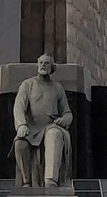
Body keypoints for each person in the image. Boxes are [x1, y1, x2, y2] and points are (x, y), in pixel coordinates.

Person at [13, 55, 73, 188]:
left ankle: (51, 181)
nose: (43, 65)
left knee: (55, 135)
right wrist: (21, 124)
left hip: (51, 126)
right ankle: (26, 182)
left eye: (46, 63)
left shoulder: (58, 88)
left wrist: (64, 120)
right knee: (20, 143)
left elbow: (67, 113)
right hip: (31, 128)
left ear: (52, 67)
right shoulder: (28, 84)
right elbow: (18, 106)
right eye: (40, 62)